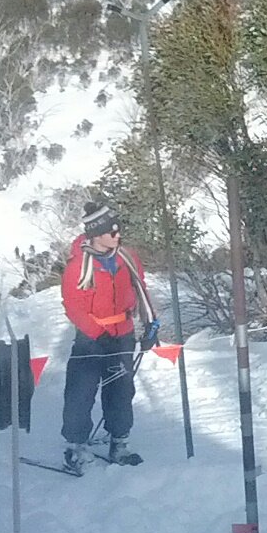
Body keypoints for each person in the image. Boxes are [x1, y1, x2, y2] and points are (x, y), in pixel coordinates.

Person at [59, 198, 162, 472]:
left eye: (118, 230)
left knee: (121, 390)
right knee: (81, 392)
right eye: (112, 232)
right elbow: (73, 306)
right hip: (90, 339)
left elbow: (141, 290)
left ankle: (119, 443)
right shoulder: (78, 266)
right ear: (96, 234)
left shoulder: (127, 257)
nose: (118, 235)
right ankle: (75, 447)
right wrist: (95, 332)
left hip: (122, 335)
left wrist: (151, 324)